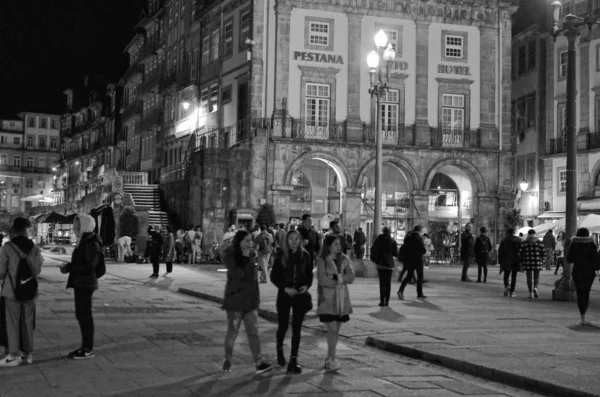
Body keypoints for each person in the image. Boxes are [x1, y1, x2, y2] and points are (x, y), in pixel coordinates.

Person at [221, 230, 273, 374]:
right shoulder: (232, 257)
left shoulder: (251, 257)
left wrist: (256, 300)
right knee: (233, 331)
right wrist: (246, 259)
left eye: (251, 240)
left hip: (250, 301)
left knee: (253, 332)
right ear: (239, 242)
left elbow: (253, 281)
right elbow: (238, 274)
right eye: (246, 240)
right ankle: (228, 359)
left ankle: (258, 362)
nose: (250, 243)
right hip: (235, 300)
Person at [0, 217, 43, 366]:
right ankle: (27, 354)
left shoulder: (8, 247)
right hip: (30, 290)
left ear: (13, 230)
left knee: (12, 323)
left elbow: (0, 271)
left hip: (12, 292)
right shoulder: (34, 247)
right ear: (26, 230)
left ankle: (13, 355)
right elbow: (38, 269)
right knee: (28, 322)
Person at [270, 230, 313, 374]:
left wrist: (306, 286)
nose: (293, 241)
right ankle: (280, 348)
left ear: (300, 240)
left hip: (299, 294)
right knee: (283, 325)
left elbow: (309, 276)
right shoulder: (281, 255)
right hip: (285, 294)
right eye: (291, 238)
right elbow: (274, 276)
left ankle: (293, 359)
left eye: (296, 238)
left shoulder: (306, 256)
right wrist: (285, 287)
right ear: (286, 240)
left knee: (297, 327)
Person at [59, 215, 102, 360]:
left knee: (84, 315)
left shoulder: (90, 243)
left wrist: (70, 267)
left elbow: (89, 265)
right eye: (75, 226)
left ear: (86, 226)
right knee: (81, 315)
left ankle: (88, 348)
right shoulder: (84, 241)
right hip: (81, 282)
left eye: (79, 226)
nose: (76, 229)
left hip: (85, 283)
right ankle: (85, 346)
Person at [316, 235, 354, 371]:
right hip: (327, 300)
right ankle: (332, 358)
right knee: (331, 329)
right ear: (329, 245)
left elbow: (351, 277)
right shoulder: (322, 260)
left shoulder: (344, 259)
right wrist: (339, 280)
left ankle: (329, 357)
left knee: (336, 331)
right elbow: (322, 280)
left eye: (340, 244)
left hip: (341, 300)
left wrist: (337, 278)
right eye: (336, 244)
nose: (339, 246)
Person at [567, 228, 598, 325]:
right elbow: (595, 261)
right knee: (586, 292)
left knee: (580, 293)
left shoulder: (574, 244)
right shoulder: (592, 245)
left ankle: (582, 317)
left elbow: (569, 259)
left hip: (578, 271)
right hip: (589, 272)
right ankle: (584, 314)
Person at [397, 225, 427, 300]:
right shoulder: (419, 238)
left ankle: (401, 290)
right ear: (419, 230)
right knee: (420, 276)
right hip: (418, 259)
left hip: (409, 259)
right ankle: (419, 293)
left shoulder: (407, 238)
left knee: (409, 276)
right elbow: (423, 250)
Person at [370, 227, 398, 307]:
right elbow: (395, 253)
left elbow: (373, 249)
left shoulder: (378, 240)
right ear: (389, 232)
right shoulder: (392, 241)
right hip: (389, 265)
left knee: (382, 283)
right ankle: (387, 301)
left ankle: (382, 301)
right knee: (388, 283)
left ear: (383, 231)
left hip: (380, 264)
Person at [517, 229, 545, 299]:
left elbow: (520, 253)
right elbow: (544, 253)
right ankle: (535, 287)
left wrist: (521, 260)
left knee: (529, 277)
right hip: (538, 262)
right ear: (535, 234)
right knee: (537, 277)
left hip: (528, 262)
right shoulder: (540, 242)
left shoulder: (525, 243)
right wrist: (543, 260)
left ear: (528, 234)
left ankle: (530, 292)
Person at [498, 228, 522, 297]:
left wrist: (500, 261)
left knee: (506, 275)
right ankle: (512, 292)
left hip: (506, 260)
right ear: (514, 232)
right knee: (514, 276)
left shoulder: (504, 240)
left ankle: (506, 286)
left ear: (507, 233)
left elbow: (500, 251)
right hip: (515, 260)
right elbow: (521, 250)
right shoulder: (518, 240)